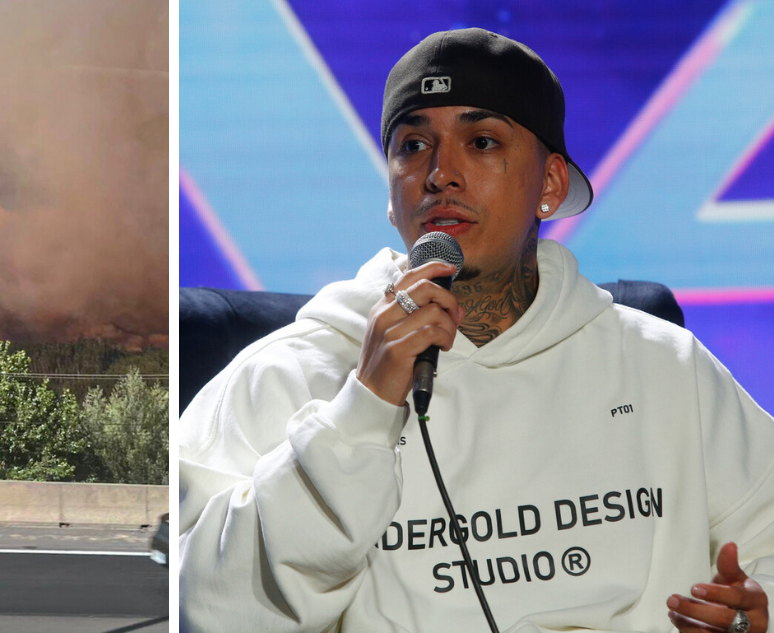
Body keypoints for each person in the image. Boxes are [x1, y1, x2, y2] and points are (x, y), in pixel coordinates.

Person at [179, 28, 774, 633]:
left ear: (550, 185)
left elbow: (765, 552)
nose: (441, 174)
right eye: (412, 146)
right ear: (391, 194)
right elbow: (207, 611)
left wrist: (758, 615)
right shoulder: (287, 374)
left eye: (482, 141)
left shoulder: (665, 367)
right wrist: (361, 410)